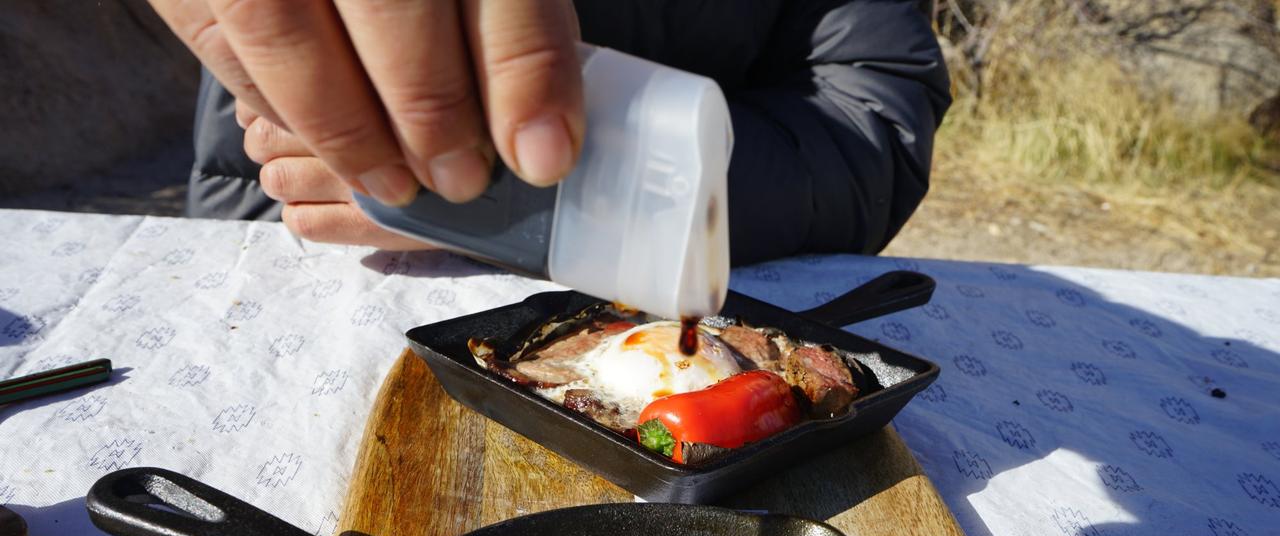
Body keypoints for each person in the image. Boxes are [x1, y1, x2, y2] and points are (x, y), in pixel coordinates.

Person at [154, 0, 949, 267]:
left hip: (689, 320)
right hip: (321, 294)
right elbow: (256, 165)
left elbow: (873, 113)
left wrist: (602, 187)